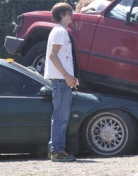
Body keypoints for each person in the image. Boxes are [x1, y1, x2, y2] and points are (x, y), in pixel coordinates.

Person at [44, 3, 79, 162]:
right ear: (62, 15)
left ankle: (56, 149)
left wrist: (69, 76)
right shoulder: (60, 31)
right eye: (69, 13)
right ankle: (56, 151)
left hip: (61, 79)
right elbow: (53, 55)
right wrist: (66, 75)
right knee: (60, 116)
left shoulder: (58, 31)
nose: (72, 15)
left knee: (60, 116)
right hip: (60, 80)